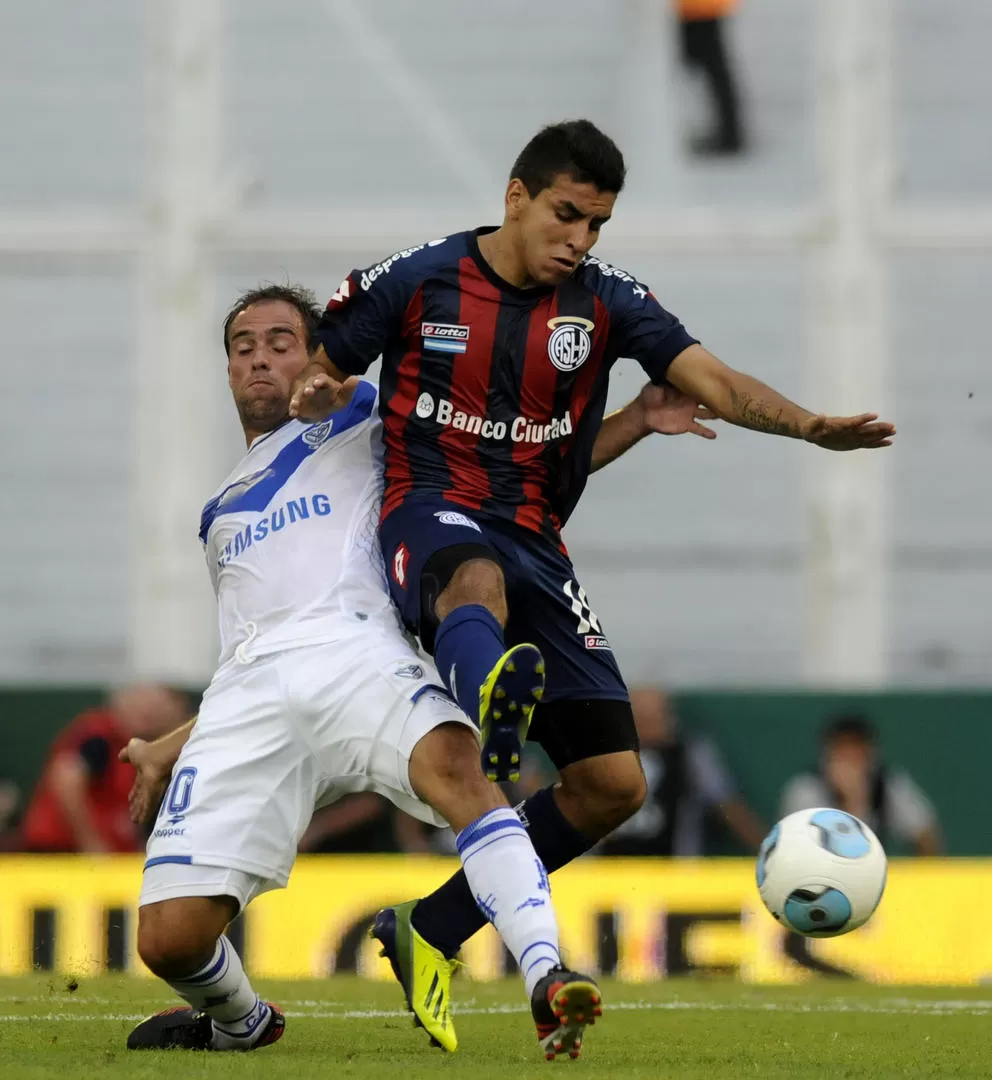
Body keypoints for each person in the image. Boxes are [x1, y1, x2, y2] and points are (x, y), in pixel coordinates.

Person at [289, 118, 895, 1038]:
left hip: (538, 542)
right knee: (475, 583)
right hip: (430, 515)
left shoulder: (605, 304)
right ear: (516, 197)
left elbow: (712, 378)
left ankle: (430, 926)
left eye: (597, 225)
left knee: (615, 785)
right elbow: (320, 365)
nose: (579, 240)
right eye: (566, 216)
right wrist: (318, 390)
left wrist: (809, 427)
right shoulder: (418, 280)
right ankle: (486, 694)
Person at [123, 283, 701, 1060]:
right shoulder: (218, 508)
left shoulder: (368, 421)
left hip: (361, 655)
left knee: (463, 772)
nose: (261, 355)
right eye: (243, 345)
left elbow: (511, 474)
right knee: (168, 939)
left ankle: (546, 972)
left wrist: (631, 420)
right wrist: (169, 745)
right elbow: (254, 646)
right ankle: (240, 1023)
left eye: (281, 339)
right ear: (228, 369)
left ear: (317, 352)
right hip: (251, 694)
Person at [19, 686, 186, 854]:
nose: (150, 714)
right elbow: (66, 780)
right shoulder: (100, 734)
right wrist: (92, 843)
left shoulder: (155, 746)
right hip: (61, 852)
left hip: (114, 857)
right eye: (145, 706)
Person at [598, 687, 765, 856]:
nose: (647, 729)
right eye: (639, 720)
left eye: (655, 719)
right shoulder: (605, 756)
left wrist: (765, 849)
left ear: (670, 719)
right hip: (611, 873)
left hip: (675, 872)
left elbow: (728, 806)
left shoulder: (690, 754)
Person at [779, 713, 942, 855]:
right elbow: (788, 847)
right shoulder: (805, 789)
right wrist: (848, 801)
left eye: (856, 749)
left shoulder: (889, 785)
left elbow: (925, 836)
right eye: (842, 749)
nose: (849, 758)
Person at [676, 0, 747, 156]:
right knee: (714, 66)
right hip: (699, 7)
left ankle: (730, 136)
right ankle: (730, 134)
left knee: (714, 66)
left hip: (699, 8)